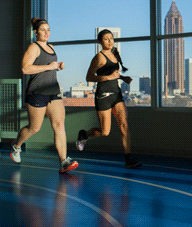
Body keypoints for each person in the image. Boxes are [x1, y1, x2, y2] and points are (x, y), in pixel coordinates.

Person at [10, 17, 78, 173]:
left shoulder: (51, 47)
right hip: (37, 92)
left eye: (48, 29)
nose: (46, 32)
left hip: (53, 91)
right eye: (43, 30)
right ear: (36, 32)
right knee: (34, 128)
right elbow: (25, 69)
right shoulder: (33, 48)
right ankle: (16, 145)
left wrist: (57, 68)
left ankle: (64, 162)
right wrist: (48, 66)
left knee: (60, 125)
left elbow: (49, 68)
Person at [76, 29, 142, 169]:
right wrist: (108, 77)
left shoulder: (114, 54)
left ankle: (128, 159)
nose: (110, 41)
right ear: (100, 42)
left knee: (124, 126)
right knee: (105, 132)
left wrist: (123, 78)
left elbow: (115, 73)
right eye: (106, 39)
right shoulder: (98, 57)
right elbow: (89, 77)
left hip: (116, 95)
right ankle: (84, 135)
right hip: (103, 96)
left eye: (111, 38)